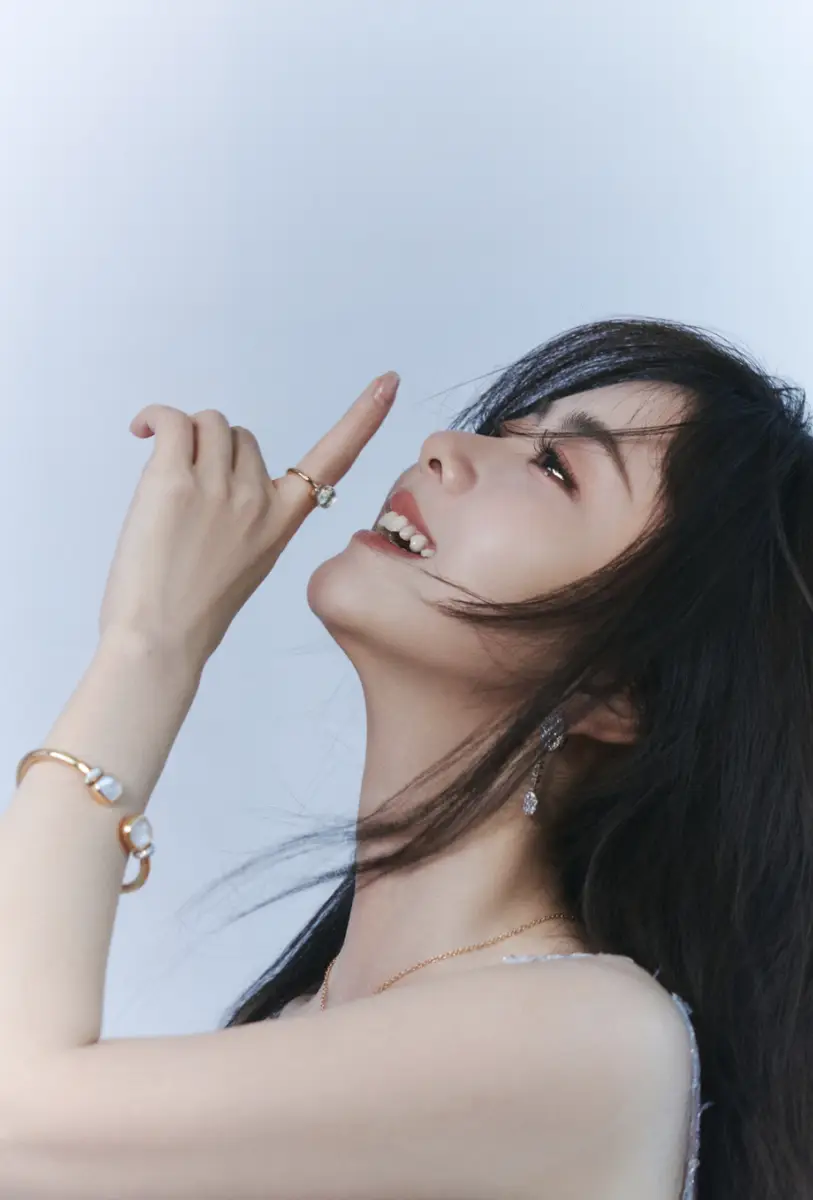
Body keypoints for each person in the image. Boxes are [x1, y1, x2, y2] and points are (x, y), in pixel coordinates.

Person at [1, 317, 810, 1199]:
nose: (445, 448)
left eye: (555, 468)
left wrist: (150, 642)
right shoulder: (304, 1020)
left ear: (620, 690)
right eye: (509, 433)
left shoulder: (590, 1036)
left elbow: (17, 1120)